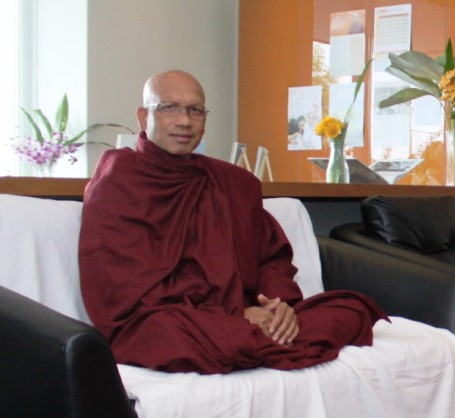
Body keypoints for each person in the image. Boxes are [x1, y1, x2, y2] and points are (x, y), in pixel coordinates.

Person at [78, 69, 387, 374]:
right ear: (144, 117)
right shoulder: (119, 180)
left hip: (239, 315)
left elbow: (270, 257)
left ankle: (267, 333)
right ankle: (253, 337)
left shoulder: (232, 182)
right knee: (167, 334)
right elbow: (120, 286)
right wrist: (237, 315)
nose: (184, 121)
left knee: (351, 309)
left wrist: (277, 306)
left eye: (195, 110)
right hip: (171, 318)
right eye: (169, 108)